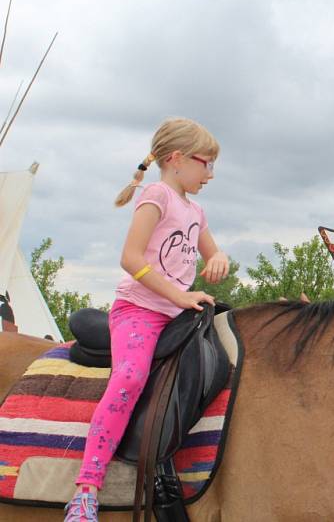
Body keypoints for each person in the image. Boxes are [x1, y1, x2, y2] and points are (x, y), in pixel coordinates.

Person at [64, 118, 229, 522]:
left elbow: (212, 252)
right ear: (176, 159)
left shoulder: (196, 210)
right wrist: (179, 295)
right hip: (140, 310)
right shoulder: (157, 194)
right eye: (205, 163)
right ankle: (86, 489)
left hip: (179, 313)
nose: (210, 173)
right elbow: (131, 257)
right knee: (130, 379)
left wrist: (220, 258)